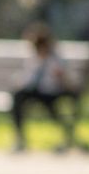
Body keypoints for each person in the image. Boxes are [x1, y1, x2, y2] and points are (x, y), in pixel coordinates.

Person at [9, 24, 80, 153]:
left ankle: (66, 139)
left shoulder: (56, 59)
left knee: (55, 110)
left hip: (52, 93)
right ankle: (20, 139)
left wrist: (62, 78)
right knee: (17, 97)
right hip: (35, 91)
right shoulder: (33, 58)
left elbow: (68, 82)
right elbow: (27, 78)